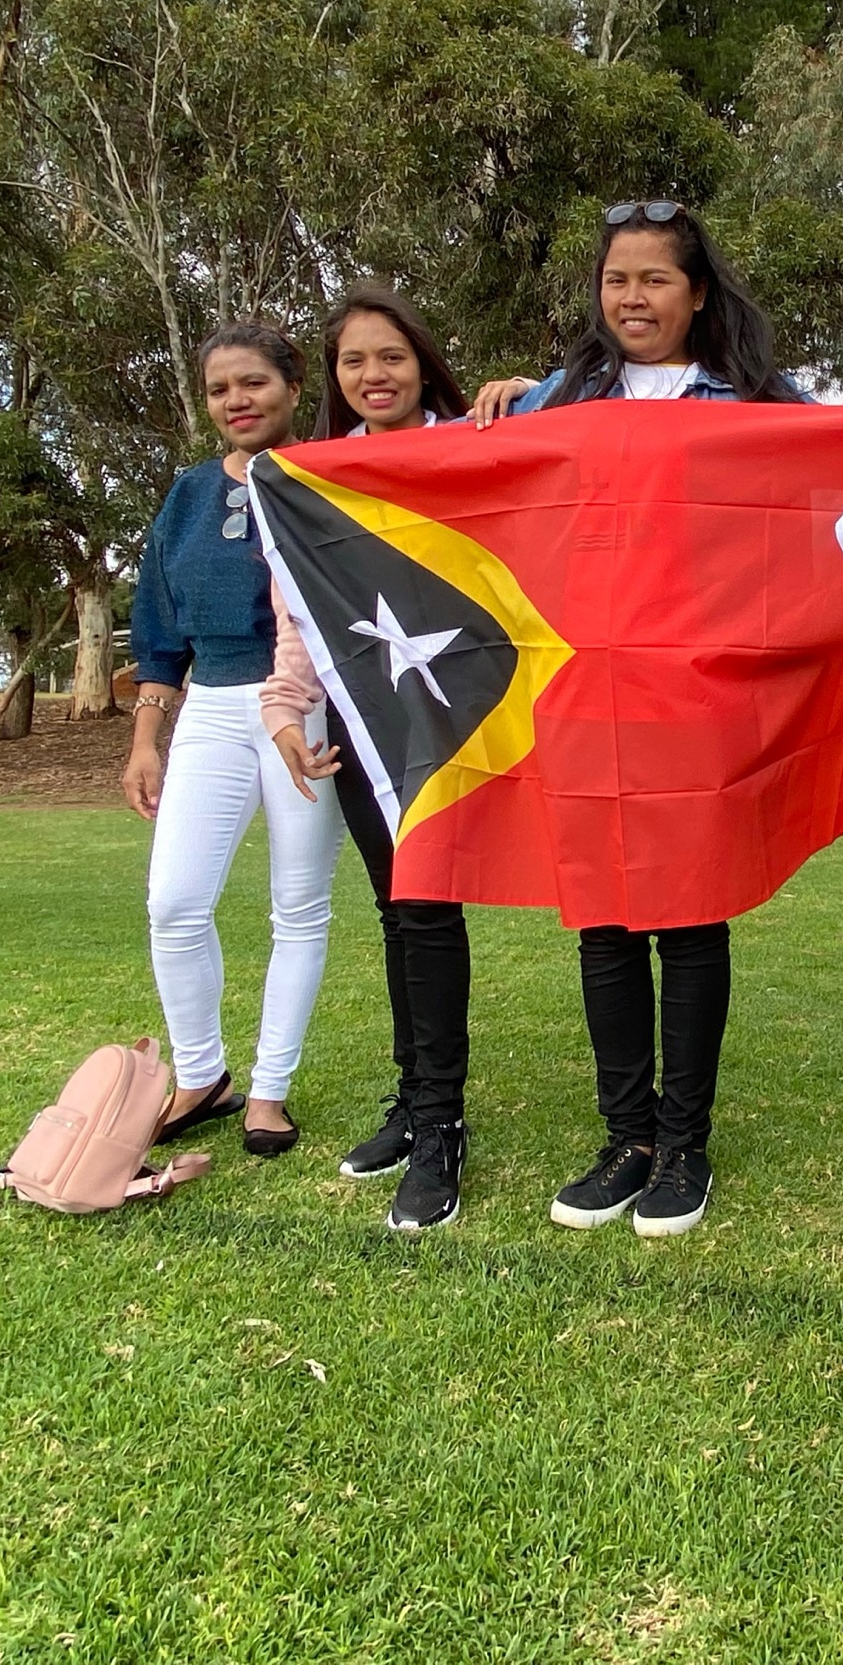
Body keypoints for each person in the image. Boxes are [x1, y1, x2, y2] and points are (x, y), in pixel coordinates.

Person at [467, 199, 808, 1239]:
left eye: (654, 278)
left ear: (696, 291)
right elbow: (468, 480)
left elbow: (824, 478)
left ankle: (685, 1146)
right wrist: (497, 403)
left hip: (689, 695)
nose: (632, 297)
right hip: (578, 687)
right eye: (617, 279)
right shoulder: (565, 398)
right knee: (603, 921)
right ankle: (627, 1139)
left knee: (686, 914)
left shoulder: (751, 398)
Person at [262, 285, 480, 1235]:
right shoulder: (312, 478)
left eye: (390, 356)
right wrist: (285, 706)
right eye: (353, 361)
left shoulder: (470, 445)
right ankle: (417, 1102)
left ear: (421, 362)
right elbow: (299, 612)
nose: (373, 376)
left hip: (457, 719)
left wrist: (527, 389)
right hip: (360, 727)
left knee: (428, 911)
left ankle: (441, 1129)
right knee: (399, 914)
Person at [126, 323, 344, 1161]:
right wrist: (147, 737)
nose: (237, 402)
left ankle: (270, 1091)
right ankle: (201, 1075)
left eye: (254, 383)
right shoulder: (184, 496)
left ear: (293, 387)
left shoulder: (325, 477)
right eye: (221, 390)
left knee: (298, 905)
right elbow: (158, 624)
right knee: (174, 903)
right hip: (211, 709)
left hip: (307, 706)